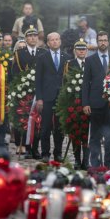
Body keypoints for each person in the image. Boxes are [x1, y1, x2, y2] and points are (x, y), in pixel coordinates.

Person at [35, 32, 71, 162]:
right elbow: (38, 80)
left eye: (57, 39)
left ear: (60, 41)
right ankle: (45, 153)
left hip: (61, 98)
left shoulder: (67, 57)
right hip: (46, 97)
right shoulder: (42, 57)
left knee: (60, 127)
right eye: (52, 40)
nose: (55, 42)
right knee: (45, 126)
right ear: (48, 43)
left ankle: (58, 153)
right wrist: (39, 98)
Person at [82, 31, 110, 168]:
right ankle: (94, 163)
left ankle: (108, 163)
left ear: (108, 42)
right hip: (95, 104)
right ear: (97, 42)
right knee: (95, 136)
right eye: (100, 40)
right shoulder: (90, 60)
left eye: (105, 40)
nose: (103, 42)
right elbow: (85, 83)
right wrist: (85, 103)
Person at [12, 26, 45, 159]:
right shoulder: (19, 53)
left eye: (35, 36)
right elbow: (15, 73)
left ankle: (35, 148)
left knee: (38, 121)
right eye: (30, 36)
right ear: (25, 39)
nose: (33, 38)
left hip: (39, 92)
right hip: (24, 92)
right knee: (24, 120)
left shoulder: (43, 52)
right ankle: (25, 147)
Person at [63, 39, 89, 169]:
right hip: (74, 104)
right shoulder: (70, 64)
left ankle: (86, 160)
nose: (81, 51)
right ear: (75, 51)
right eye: (79, 49)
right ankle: (77, 159)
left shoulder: (91, 63)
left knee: (87, 133)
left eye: (83, 49)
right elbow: (65, 85)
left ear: (87, 50)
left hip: (88, 104)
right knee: (75, 132)